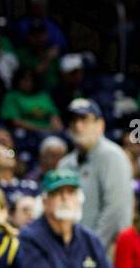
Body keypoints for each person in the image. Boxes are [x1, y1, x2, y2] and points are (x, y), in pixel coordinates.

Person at [16, 169, 127, 268]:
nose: (65, 198)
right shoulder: (30, 238)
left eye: (71, 192)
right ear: (45, 201)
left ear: (79, 200)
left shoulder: (90, 239)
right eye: (58, 193)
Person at [57, 98, 133, 250]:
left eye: (84, 120)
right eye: (73, 121)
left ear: (100, 125)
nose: (78, 126)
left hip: (106, 252)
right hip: (73, 251)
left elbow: (115, 211)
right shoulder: (65, 163)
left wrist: (92, 249)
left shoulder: (113, 156)